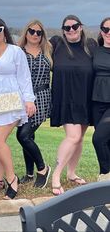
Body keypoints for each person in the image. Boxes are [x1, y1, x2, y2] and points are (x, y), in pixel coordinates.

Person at [0, 17, 36, 200]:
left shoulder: (15, 51)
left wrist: (29, 100)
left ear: (5, 31)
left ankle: (12, 179)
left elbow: (24, 77)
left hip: (9, 98)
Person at [50, 15, 97, 195]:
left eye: (74, 26)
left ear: (81, 27)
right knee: (73, 137)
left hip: (85, 99)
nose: (71, 30)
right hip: (65, 99)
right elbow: (35, 51)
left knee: (79, 139)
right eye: (67, 27)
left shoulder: (91, 46)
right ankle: (56, 176)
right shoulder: (56, 44)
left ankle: (71, 173)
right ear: (63, 30)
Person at [17, 20, 52, 188]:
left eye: (39, 32)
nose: (35, 35)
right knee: (28, 136)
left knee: (23, 135)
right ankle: (29, 173)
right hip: (23, 98)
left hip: (42, 96)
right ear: (26, 32)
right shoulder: (18, 52)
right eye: (32, 31)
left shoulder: (48, 50)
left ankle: (43, 168)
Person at [92, 17, 110, 181]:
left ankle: (105, 177)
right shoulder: (95, 51)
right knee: (106, 143)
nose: (109, 33)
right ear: (101, 31)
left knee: (98, 139)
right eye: (106, 29)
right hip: (97, 101)